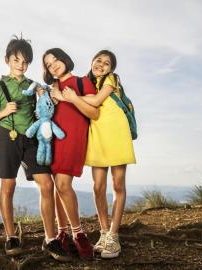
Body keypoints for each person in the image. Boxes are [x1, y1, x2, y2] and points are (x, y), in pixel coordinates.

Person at [0, 36, 70, 261]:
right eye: (16, 60)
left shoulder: (34, 86)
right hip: (6, 137)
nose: (21, 65)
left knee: (46, 184)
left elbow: (44, 108)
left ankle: (50, 239)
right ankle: (11, 236)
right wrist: (4, 112)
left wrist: (46, 98)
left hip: (31, 139)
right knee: (8, 185)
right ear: (7, 60)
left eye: (25, 61)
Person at [43, 48, 99, 260]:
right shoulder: (52, 88)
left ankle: (79, 233)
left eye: (56, 59)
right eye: (49, 64)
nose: (54, 64)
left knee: (63, 185)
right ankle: (63, 232)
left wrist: (71, 98)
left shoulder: (82, 82)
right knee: (59, 186)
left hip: (73, 138)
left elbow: (94, 112)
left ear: (64, 59)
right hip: (53, 140)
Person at [83, 50, 136, 258]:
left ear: (111, 69)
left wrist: (70, 96)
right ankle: (104, 232)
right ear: (92, 61)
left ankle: (114, 236)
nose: (101, 65)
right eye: (98, 60)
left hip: (117, 133)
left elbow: (96, 101)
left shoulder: (110, 79)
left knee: (118, 184)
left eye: (107, 63)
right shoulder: (86, 82)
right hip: (97, 135)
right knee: (97, 186)